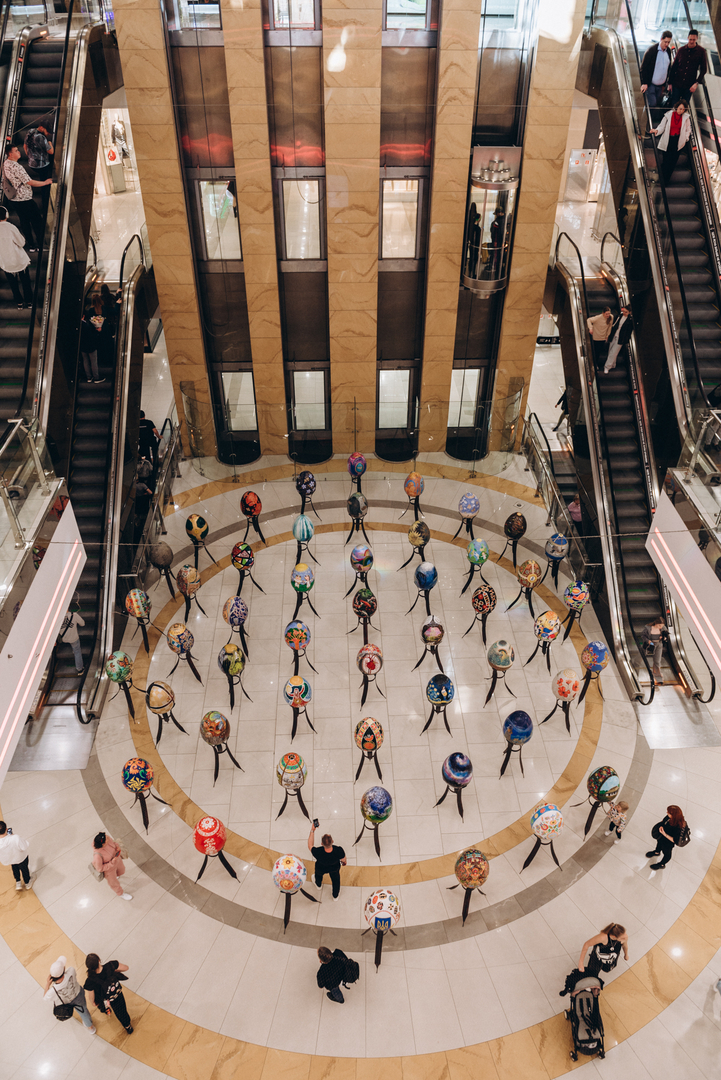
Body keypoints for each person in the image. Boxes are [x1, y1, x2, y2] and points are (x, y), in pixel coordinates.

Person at [1, 145, 51, 250]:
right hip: (25, 199)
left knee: (24, 221)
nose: (19, 152)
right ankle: (41, 245)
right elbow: (30, 182)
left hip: (13, 199)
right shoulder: (17, 166)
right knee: (37, 221)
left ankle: (31, 245)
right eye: (16, 151)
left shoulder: (5, 163)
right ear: (10, 154)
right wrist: (45, 182)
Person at [44, 955, 95, 1033]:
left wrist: (48, 984)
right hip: (79, 995)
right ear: (63, 969)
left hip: (67, 1002)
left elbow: (45, 997)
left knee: (82, 1011)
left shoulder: (54, 989)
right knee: (83, 1011)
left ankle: (89, 1026)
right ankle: (90, 1027)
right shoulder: (71, 970)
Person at [83, 953, 133, 1033]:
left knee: (104, 1005)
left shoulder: (90, 980)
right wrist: (114, 971)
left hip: (102, 998)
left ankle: (106, 1010)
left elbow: (91, 995)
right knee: (121, 1011)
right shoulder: (111, 965)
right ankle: (127, 1026)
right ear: (99, 960)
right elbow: (126, 968)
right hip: (115, 995)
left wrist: (93, 1002)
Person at [649, 100, 691, 184]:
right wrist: (656, 130)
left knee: (672, 163)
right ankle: (661, 179)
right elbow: (662, 126)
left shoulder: (686, 118)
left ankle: (666, 181)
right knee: (666, 162)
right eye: (680, 109)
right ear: (676, 107)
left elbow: (688, 130)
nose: (681, 111)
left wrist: (686, 138)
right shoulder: (668, 115)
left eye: (683, 109)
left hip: (678, 141)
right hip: (668, 140)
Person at [0, 205, 32, 308]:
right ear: (6, 215)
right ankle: (29, 301)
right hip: (19, 260)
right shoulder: (10, 227)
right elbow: (21, 242)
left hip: (5, 262)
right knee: (25, 281)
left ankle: (19, 303)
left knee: (13, 284)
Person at [308, 823, 347, 900]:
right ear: (332, 841)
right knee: (336, 880)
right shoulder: (338, 850)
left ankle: (318, 885)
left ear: (322, 844)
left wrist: (312, 830)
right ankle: (335, 896)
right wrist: (344, 863)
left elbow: (310, 845)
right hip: (334, 868)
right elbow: (343, 860)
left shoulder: (318, 851)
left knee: (318, 875)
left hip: (321, 868)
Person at [668, 29, 707, 104]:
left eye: (693, 40)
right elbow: (674, 67)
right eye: (690, 39)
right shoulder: (681, 50)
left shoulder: (701, 51)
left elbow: (704, 69)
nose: (691, 41)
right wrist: (670, 83)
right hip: (677, 83)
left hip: (689, 85)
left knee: (684, 106)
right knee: (674, 105)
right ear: (687, 38)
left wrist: (696, 83)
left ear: (697, 39)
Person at [91, 832, 132, 900]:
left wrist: (117, 846)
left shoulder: (106, 838)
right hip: (109, 870)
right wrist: (111, 863)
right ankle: (120, 894)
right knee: (113, 883)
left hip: (117, 860)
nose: (108, 838)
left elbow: (113, 842)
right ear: (103, 844)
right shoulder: (97, 856)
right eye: (106, 839)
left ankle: (117, 875)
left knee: (122, 870)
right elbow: (100, 868)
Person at [640, 31, 673, 112]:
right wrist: (645, 83)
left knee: (658, 103)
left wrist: (669, 83)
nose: (667, 44)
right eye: (665, 42)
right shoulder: (652, 51)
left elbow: (669, 68)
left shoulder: (668, 51)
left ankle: (652, 121)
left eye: (668, 42)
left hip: (661, 86)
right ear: (661, 39)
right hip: (651, 84)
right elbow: (644, 68)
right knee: (652, 104)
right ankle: (646, 121)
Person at [646, 804, 686, 869]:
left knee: (667, 853)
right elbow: (663, 821)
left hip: (668, 843)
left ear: (674, 815)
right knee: (659, 844)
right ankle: (657, 852)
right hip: (661, 837)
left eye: (669, 812)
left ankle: (662, 864)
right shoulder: (669, 817)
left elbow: (675, 840)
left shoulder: (679, 827)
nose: (667, 813)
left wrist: (664, 834)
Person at [0, 821, 31, 891]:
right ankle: (27, 882)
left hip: (11, 859)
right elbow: (24, 846)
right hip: (21, 858)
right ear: (6, 829)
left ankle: (18, 882)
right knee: (24, 870)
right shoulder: (15, 838)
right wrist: (13, 836)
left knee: (15, 868)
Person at [603, 306, 634, 373]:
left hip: (621, 338)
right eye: (624, 311)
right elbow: (614, 325)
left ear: (629, 312)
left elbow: (629, 332)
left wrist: (625, 340)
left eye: (626, 312)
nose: (624, 313)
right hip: (614, 335)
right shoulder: (619, 316)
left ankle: (607, 367)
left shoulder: (630, 320)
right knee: (611, 350)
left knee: (613, 352)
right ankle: (613, 364)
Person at [58, 608, 85, 676]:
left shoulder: (57, 618)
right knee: (77, 651)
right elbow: (83, 624)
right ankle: (80, 669)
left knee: (75, 649)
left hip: (64, 638)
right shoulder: (74, 615)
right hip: (74, 638)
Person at [641, 616, 667, 685]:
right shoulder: (648, 628)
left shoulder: (663, 628)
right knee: (640, 658)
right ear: (656, 623)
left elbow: (666, 635)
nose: (660, 627)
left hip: (658, 645)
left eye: (662, 626)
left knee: (657, 661)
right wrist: (648, 641)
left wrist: (663, 638)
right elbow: (643, 636)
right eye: (659, 625)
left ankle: (658, 678)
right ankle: (635, 674)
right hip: (649, 645)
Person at [80, 311, 103, 383]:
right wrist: (97, 331)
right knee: (93, 362)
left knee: (85, 361)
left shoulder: (79, 325)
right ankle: (96, 378)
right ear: (83, 316)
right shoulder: (86, 325)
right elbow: (91, 336)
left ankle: (89, 377)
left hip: (83, 346)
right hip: (91, 346)